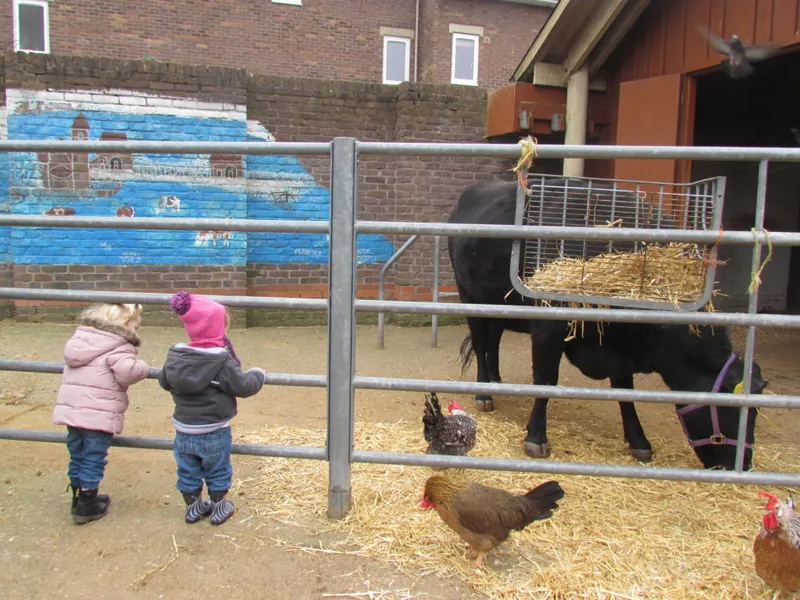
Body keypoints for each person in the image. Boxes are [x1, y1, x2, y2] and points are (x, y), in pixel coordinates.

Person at [158, 291, 266, 526]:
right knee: (218, 468)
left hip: (184, 429)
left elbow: (164, 381)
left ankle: (193, 509)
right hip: (214, 430)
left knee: (188, 469)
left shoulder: (176, 357)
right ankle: (219, 507)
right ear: (219, 329)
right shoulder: (221, 361)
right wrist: (258, 374)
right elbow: (244, 387)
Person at [52, 302, 149, 524]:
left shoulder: (81, 340)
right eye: (136, 325)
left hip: (73, 411)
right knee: (94, 457)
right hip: (99, 413)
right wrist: (143, 366)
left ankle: (77, 496)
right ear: (125, 324)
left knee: (77, 452)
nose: (136, 330)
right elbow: (127, 372)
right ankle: (88, 503)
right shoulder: (118, 345)